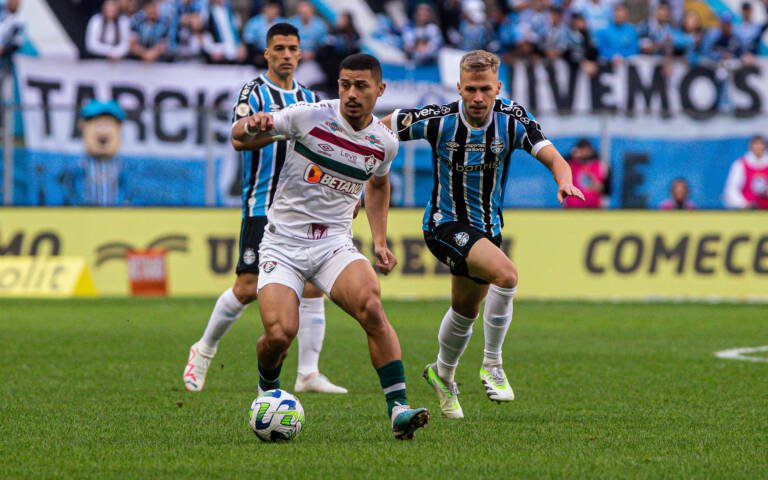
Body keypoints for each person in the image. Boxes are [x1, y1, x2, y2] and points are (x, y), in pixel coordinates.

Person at [233, 53, 429, 439]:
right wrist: (250, 125)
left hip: (333, 245)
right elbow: (239, 139)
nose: (351, 94)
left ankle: (398, 409)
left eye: (361, 86)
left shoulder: (384, 142)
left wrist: (378, 240)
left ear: (380, 89)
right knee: (279, 334)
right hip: (283, 244)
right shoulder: (309, 116)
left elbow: (377, 184)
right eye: (345, 85)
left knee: (371, 306)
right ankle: (268, 392)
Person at [382, 50, 584, 418]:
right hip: (443, 224)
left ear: (498, 88)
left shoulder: (513, 119)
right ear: (458, 87)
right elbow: (383, 126)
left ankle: (442, 373)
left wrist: (565, 180)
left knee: (466, 309)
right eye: (470, 89)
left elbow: (553, 155)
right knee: (507, 275)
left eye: (485, 90)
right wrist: (354, 164)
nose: (477, 98)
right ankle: (492, 364)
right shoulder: (439, 120)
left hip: (488, 229)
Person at [184, 23, 347, 395]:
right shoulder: (254, 91)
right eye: (280, 48)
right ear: (267, 54)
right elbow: (238, 138)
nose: (287, 54)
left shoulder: (310, 99)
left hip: (305, 208)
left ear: (301, 53)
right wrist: (272, 130)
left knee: (311, 285)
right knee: (247, 286)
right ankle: (205, 348)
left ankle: (308, 373)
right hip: (263, 205)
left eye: (293, 48)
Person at [724, 135, 768, 209]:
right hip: (748, 211)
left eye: (761, 144)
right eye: (756, 144)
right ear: (750, 146)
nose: (758, 147)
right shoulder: (740, 164)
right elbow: (731, 189)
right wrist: (743, 204)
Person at [564, 139, 609, 208]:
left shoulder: (599, 165)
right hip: (572, 208)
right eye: (581, 150)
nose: (583, 153)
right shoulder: (571, 165)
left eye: (586, 150)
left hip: (594, 208)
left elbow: (606, 189)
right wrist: (571, 155)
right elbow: (558, 165)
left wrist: (597, 186)